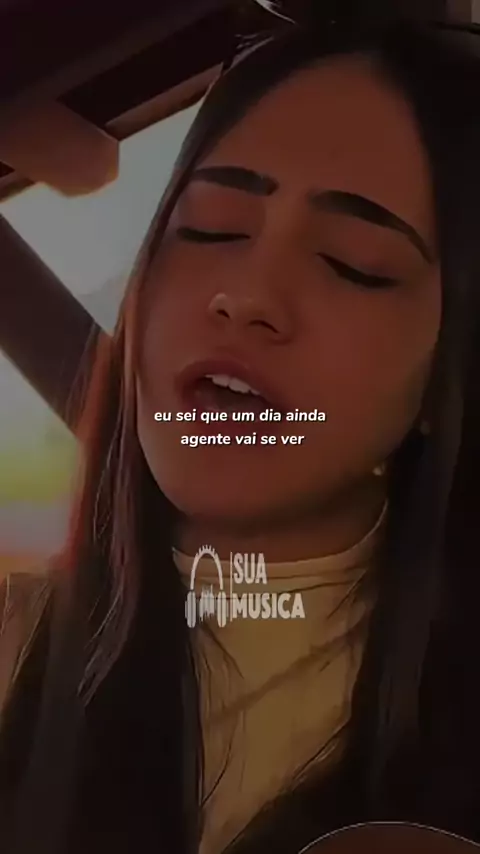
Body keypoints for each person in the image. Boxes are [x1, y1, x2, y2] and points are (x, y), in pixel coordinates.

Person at [1, 4, 480, 853]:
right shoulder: (18, 646)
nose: (246, 295)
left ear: (446, 381)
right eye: (211, 228)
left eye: (352, 265)